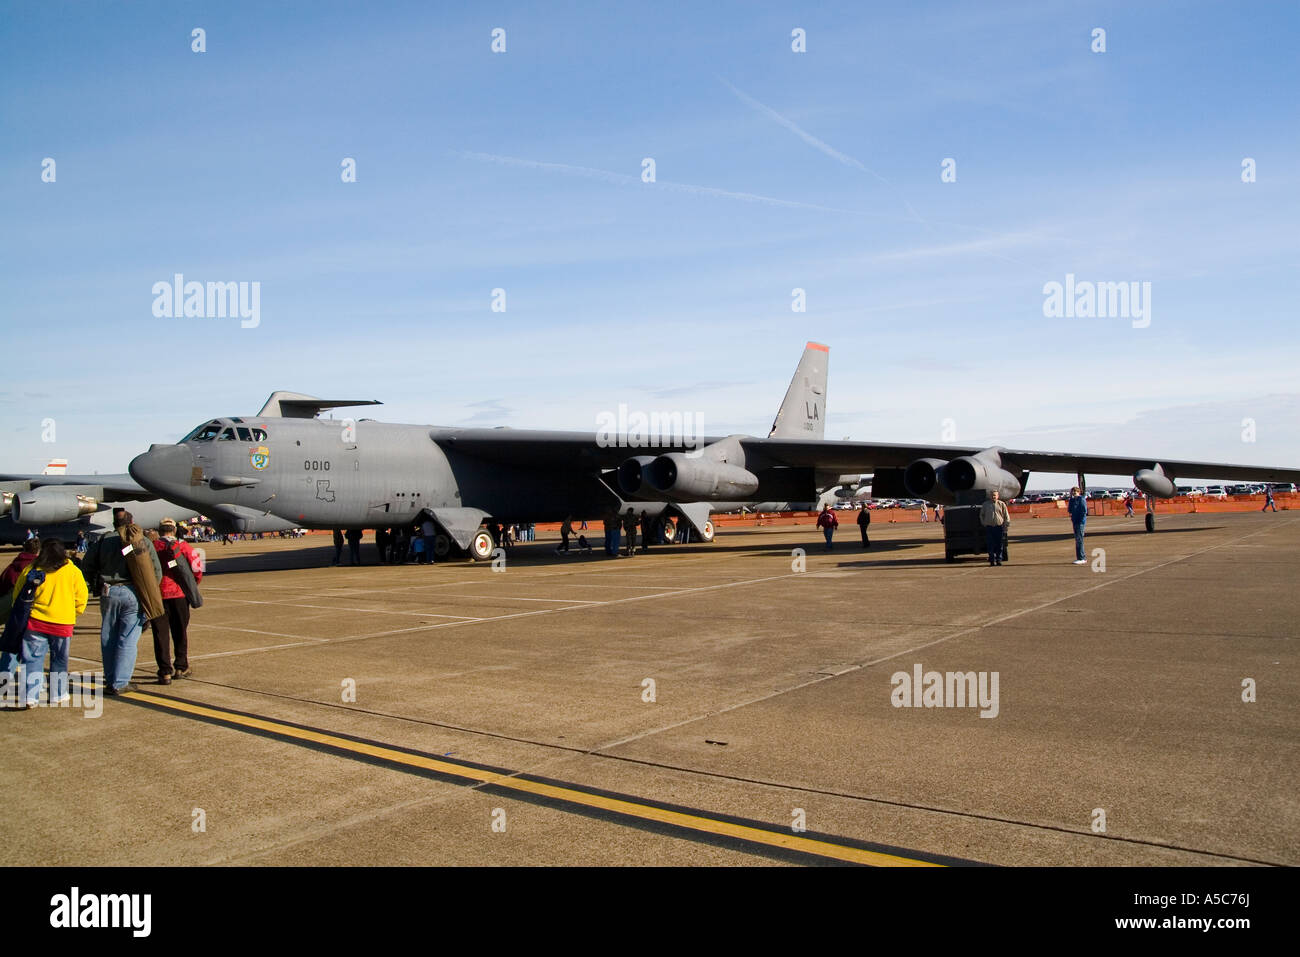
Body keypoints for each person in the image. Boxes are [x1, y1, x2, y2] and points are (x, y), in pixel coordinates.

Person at [82, 510, 164, 695]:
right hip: (133, 592)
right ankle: (121, 682)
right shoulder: (142, 541)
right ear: (131, 521)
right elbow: (155, 571)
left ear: (113, 523)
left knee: (108, 637)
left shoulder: (103, 541)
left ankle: (111, 680)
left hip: (108, 591)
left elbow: (86, 566)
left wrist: (94, 584)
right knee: (127, 639)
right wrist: (149, 592)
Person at [9, 539, 88, 707]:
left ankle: (30, 696)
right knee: (60, 659)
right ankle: (58, 694)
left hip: (36, 621)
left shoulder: (33, 569)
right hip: (63, 622)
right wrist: (75, 612)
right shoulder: (72, 571)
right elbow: (82, 596)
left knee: (32, 659)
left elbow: (18, 595)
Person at [150, 518, 202, 684]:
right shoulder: (183, 546)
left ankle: (164, 671)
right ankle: (181, 666)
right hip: (178, 594)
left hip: (157, 596)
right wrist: (192, 583)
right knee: (180, 632)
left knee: (160, 635)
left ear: (159, 530)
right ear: (173, 530)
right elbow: (196, 567)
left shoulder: (152, 547)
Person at [979, 491, 1009, 566]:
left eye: (995, 495)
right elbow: (981, 515)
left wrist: (1006, 525)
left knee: (999, 544)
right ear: (990, 496)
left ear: (998, 496)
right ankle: (992, 560)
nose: (993, 497)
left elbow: (1006, 516)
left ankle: (999, 559)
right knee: (990, 544)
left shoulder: (1001, 504)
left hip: (999, 527)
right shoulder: (985, 504)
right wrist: (984, 523)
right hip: (989, 527)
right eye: (992, 495)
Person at [1068, 486, 1088, 564]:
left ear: (1078, 492)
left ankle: (1082, 558)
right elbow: (1070, 509)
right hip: (1075, 521)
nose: (1074, 493)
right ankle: (1079, 557)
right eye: (1072, 492)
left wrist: (1081, 520)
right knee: (1077, 539)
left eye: (1075, 492)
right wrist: (1071, 499)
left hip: (1080, 522)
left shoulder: (1081, 499)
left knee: (1079, 540)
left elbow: (1084, 511)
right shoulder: (1072, 500)